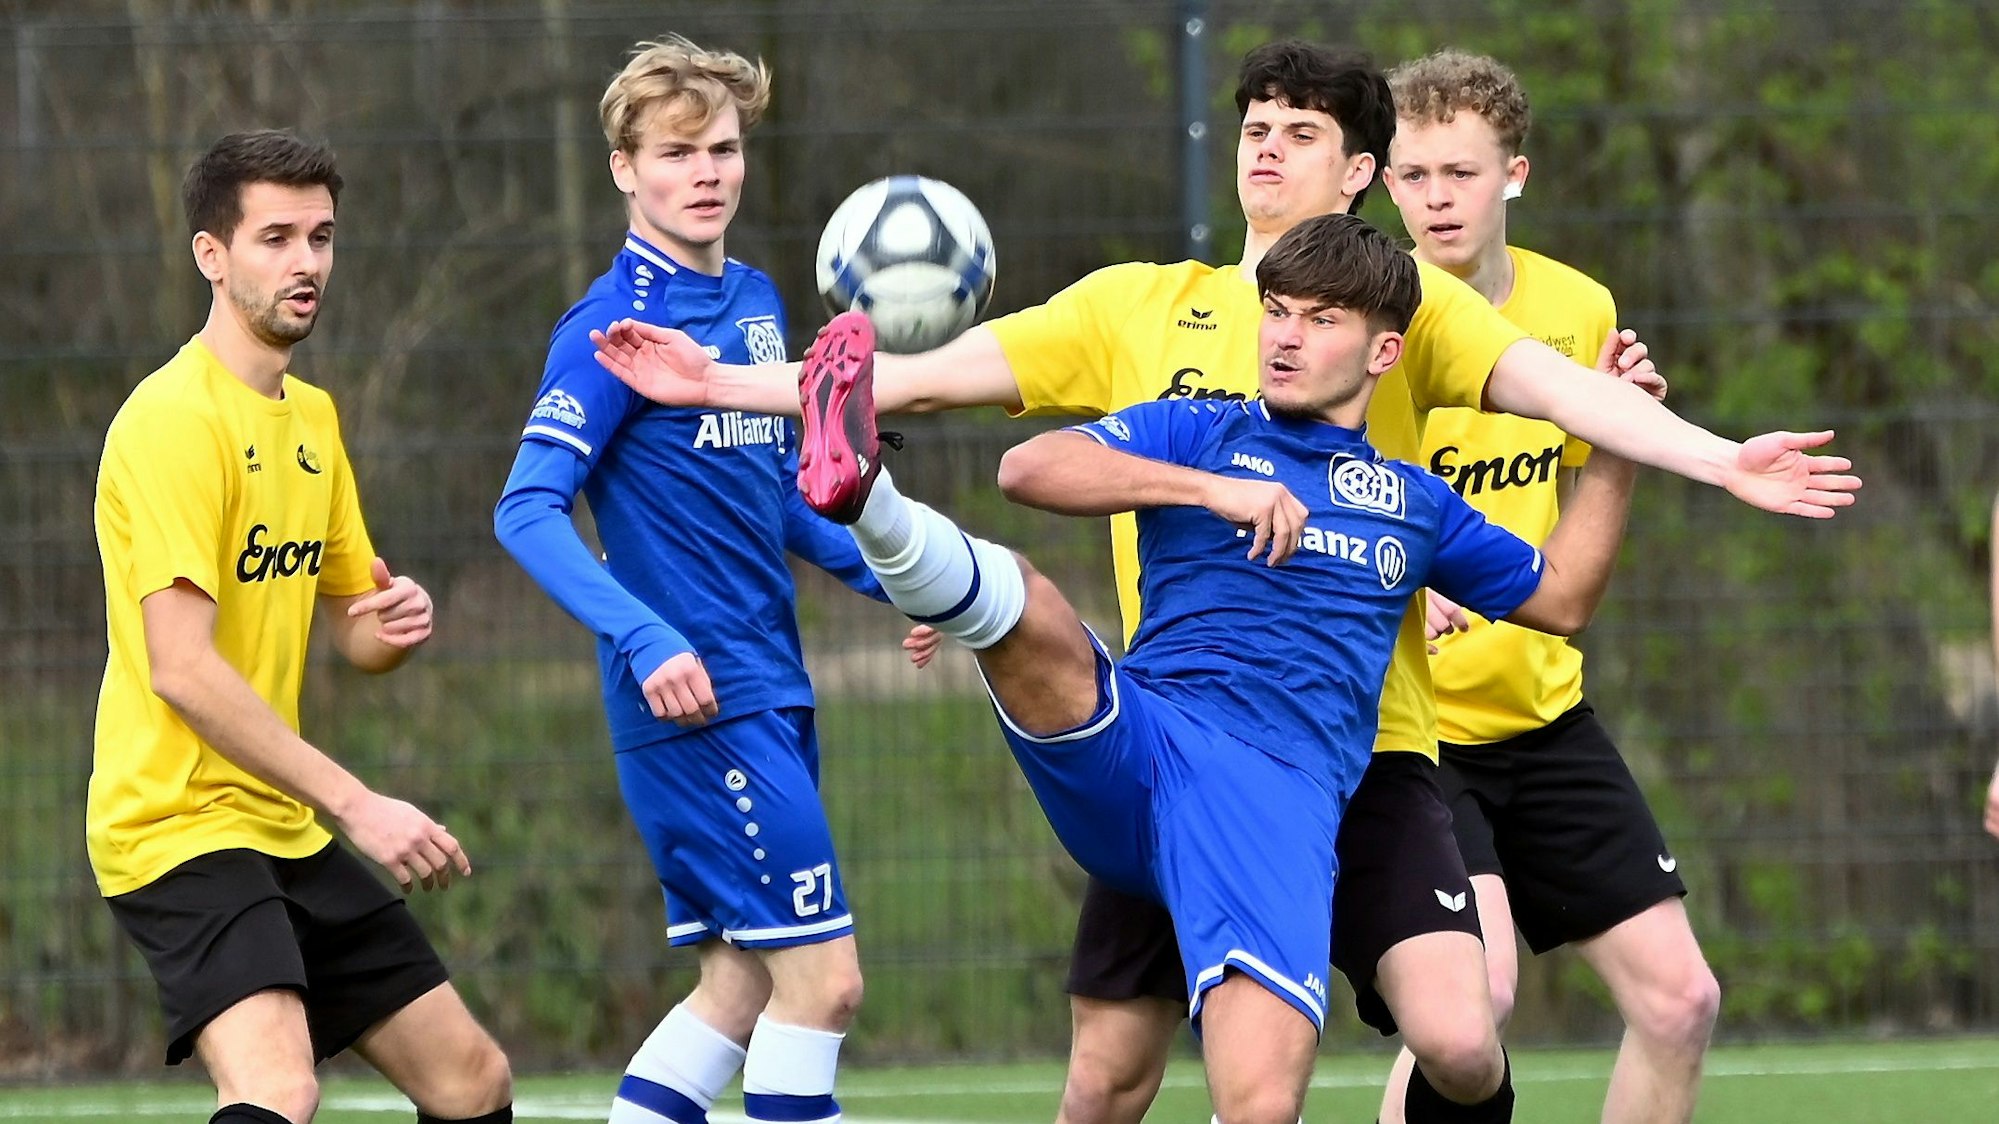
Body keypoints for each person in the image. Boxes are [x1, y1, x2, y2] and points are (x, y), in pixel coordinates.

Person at [590, 40, 1860, 1124]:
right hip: (1174, 725)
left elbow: (1566, 394)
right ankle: (893, 529)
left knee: (1446, 1039)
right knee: (1108, 1075)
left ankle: (905, 542)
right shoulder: (1145, 309)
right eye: (1253, 128)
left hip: (1366, 745)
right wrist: (712, 381)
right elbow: (917, 380)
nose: (1265, 150)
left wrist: (1717, 457)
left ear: (1358, 174)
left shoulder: (1402, 307)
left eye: (1299, 134)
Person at [773, 213, 1751, 1123]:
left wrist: (1615, 449)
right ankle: (868, 500)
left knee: (1266, 1101)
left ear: (1382, 353)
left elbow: (1561, 599)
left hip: (1269, 793)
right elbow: (1026, 468)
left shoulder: (1410, 501)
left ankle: (874, 507)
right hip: (1143, 742)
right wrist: (1207, 490)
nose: (1284, 336)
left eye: (1319, 320)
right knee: (1025, 604)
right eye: (1276, 311)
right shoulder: (1201, 429)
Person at [491, 36, 888, 1124]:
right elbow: (525, 509)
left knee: (742, 984)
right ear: (624, 169)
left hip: (769, 680)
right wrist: (643, 635)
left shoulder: (753, 301)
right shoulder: (608, 331)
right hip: (697, 700)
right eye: (676, 153)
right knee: (824, 982)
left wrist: (896, 582)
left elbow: (782, 493)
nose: (706, 173)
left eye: (722, 148)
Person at [90, 130, 512, 1124]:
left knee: (472, 1080)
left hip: (277, 820)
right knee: (277, 1086)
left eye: (320, 237)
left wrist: (392, 626)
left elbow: (355, 631)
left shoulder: (312, 419)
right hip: (175, 825)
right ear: (212, 255)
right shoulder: (172, 422)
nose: (306, 262)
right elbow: (181, 668)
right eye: (275, 238)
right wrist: (358, 804)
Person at [1373, 50, 1721, 1124]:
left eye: (1461, 173)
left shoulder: (1575, 307)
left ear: (1513, 175)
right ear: (1383, 181)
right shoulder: (1363, 316)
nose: (1436, 198)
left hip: (1541, 713)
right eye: (1413, 174)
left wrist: (1625, 434)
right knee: (1473, 1000)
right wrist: (1397, 580)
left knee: (1680, 1001)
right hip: (1418, 736)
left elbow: (1580, 545)